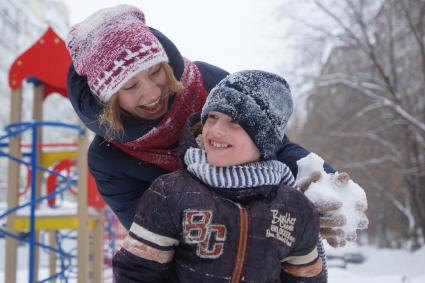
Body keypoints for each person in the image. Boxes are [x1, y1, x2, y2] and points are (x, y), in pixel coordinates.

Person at [65, 4, 367, 248]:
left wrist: (322, 183)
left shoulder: (209, 83)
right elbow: (151, 233)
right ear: (108, 100)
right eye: (130, 86)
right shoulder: (109, 159)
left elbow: (273, 143)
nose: (153, 92)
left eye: (156, 71)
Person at [112, 70, 325, 282]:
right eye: (212, 117)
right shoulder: (170, 193)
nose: (216, 130)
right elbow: (136, 273)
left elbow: (307, 278)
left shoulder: (296, 208)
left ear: (264, 139)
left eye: (235, 121)